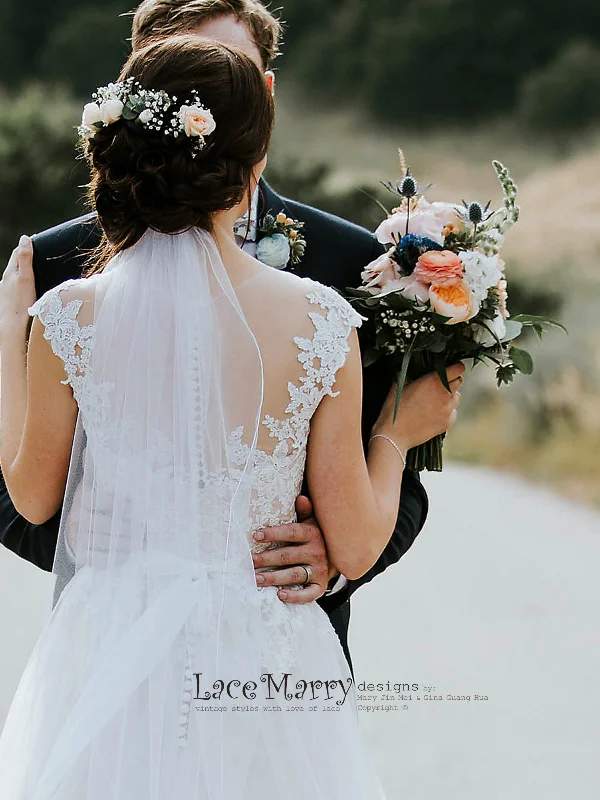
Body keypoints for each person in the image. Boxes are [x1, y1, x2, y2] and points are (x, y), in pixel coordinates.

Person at [0, 34, 464, 799]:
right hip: (262, 652)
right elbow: (353, 540)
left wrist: (8, 339)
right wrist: (394, 438)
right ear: (252, 167)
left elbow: (30, 496)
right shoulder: (319, 321)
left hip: (109, 640)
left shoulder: (65, 319)